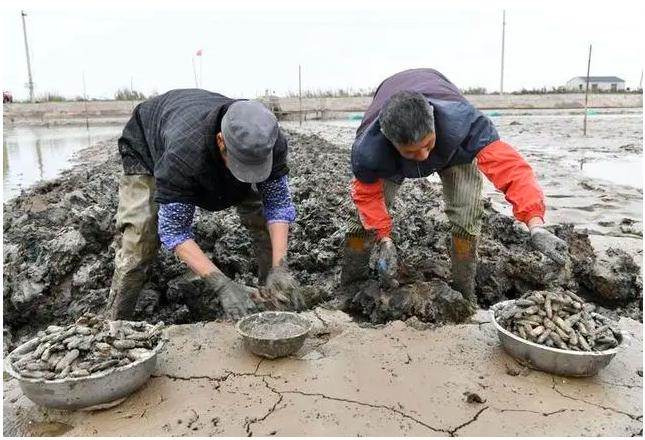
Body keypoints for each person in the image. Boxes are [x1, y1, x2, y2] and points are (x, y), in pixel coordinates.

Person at [341, 68, 568, 303]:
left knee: (466, 210)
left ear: (433, 121)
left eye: (428, 144)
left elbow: (511, 170)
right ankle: (350, 286)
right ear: (389, 140)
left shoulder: (466, 124)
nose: (422, 156)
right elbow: (368, 199)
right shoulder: (369, 152)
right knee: (361, 221)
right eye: (411, 151)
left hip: (452, 149)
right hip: (391, 160)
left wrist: (535, 224)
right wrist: (384, 239)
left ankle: (464, 291)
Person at [106, 89, 300, 320]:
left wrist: (280, 267)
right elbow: (174, 230)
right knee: (140, 239)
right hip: (147, 143)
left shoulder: (269, 140)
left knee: (261, 218)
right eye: (241, 166)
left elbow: (277, 206)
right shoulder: (182, 157)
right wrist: (222, 285)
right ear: (221, 141)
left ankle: (271, 298)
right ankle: (114, 324)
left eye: (255, 169)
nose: (247, 177)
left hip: (202, 138)